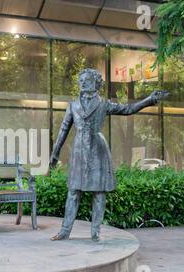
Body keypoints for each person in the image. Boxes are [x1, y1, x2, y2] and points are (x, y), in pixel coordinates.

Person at [50, 68, 168, 242]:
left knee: (99, 193)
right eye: (80, 80)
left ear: (96, 83)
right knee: (73, 191)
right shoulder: (73, 105)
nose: (82, 82)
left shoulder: (104, 104)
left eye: (86, 79)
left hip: (98, 150)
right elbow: (63, 130)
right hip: (78, 151)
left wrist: (148, 100)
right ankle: (65, 231)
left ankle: (95, 232)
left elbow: (127, 109)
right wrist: (55, 152)